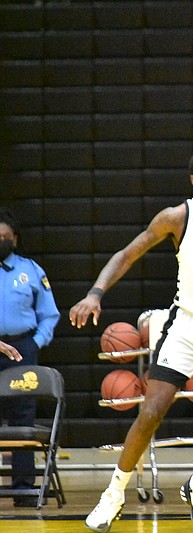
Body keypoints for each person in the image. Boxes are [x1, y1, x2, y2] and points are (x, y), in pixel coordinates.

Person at [74, 148, 193, 533]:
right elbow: (127, 254)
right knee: (151, 411)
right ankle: (113, 495)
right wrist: (95, 293)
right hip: (186, 324)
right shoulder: (177, 217)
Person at [0, 207, 60, 507]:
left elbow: (49, 314)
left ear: (15, 239)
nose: (1, 241)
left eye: (5, 237)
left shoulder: (31, 270)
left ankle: (23, 488)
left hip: (21, 349)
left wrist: (33, 344)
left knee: (22, 416)